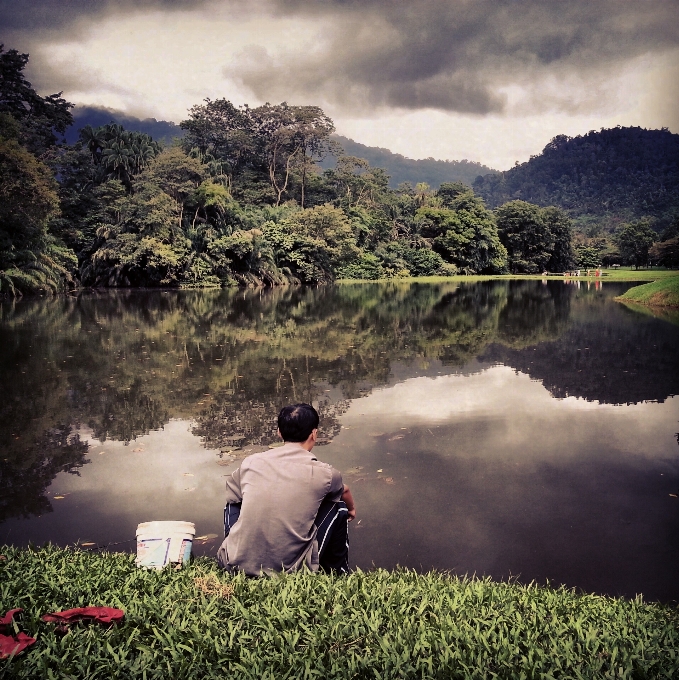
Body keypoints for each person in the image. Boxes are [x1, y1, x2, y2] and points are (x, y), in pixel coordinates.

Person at [217, 403, 356, 576]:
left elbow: (233, 496)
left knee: (234, 502)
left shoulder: (251, 462)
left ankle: (238, 554)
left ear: (279, 433)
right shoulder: (325, 473)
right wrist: (351, 509)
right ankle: (338, 572)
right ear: (314, 434)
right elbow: (344, 491)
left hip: (233, 564)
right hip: (288, 570)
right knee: (338, 507)